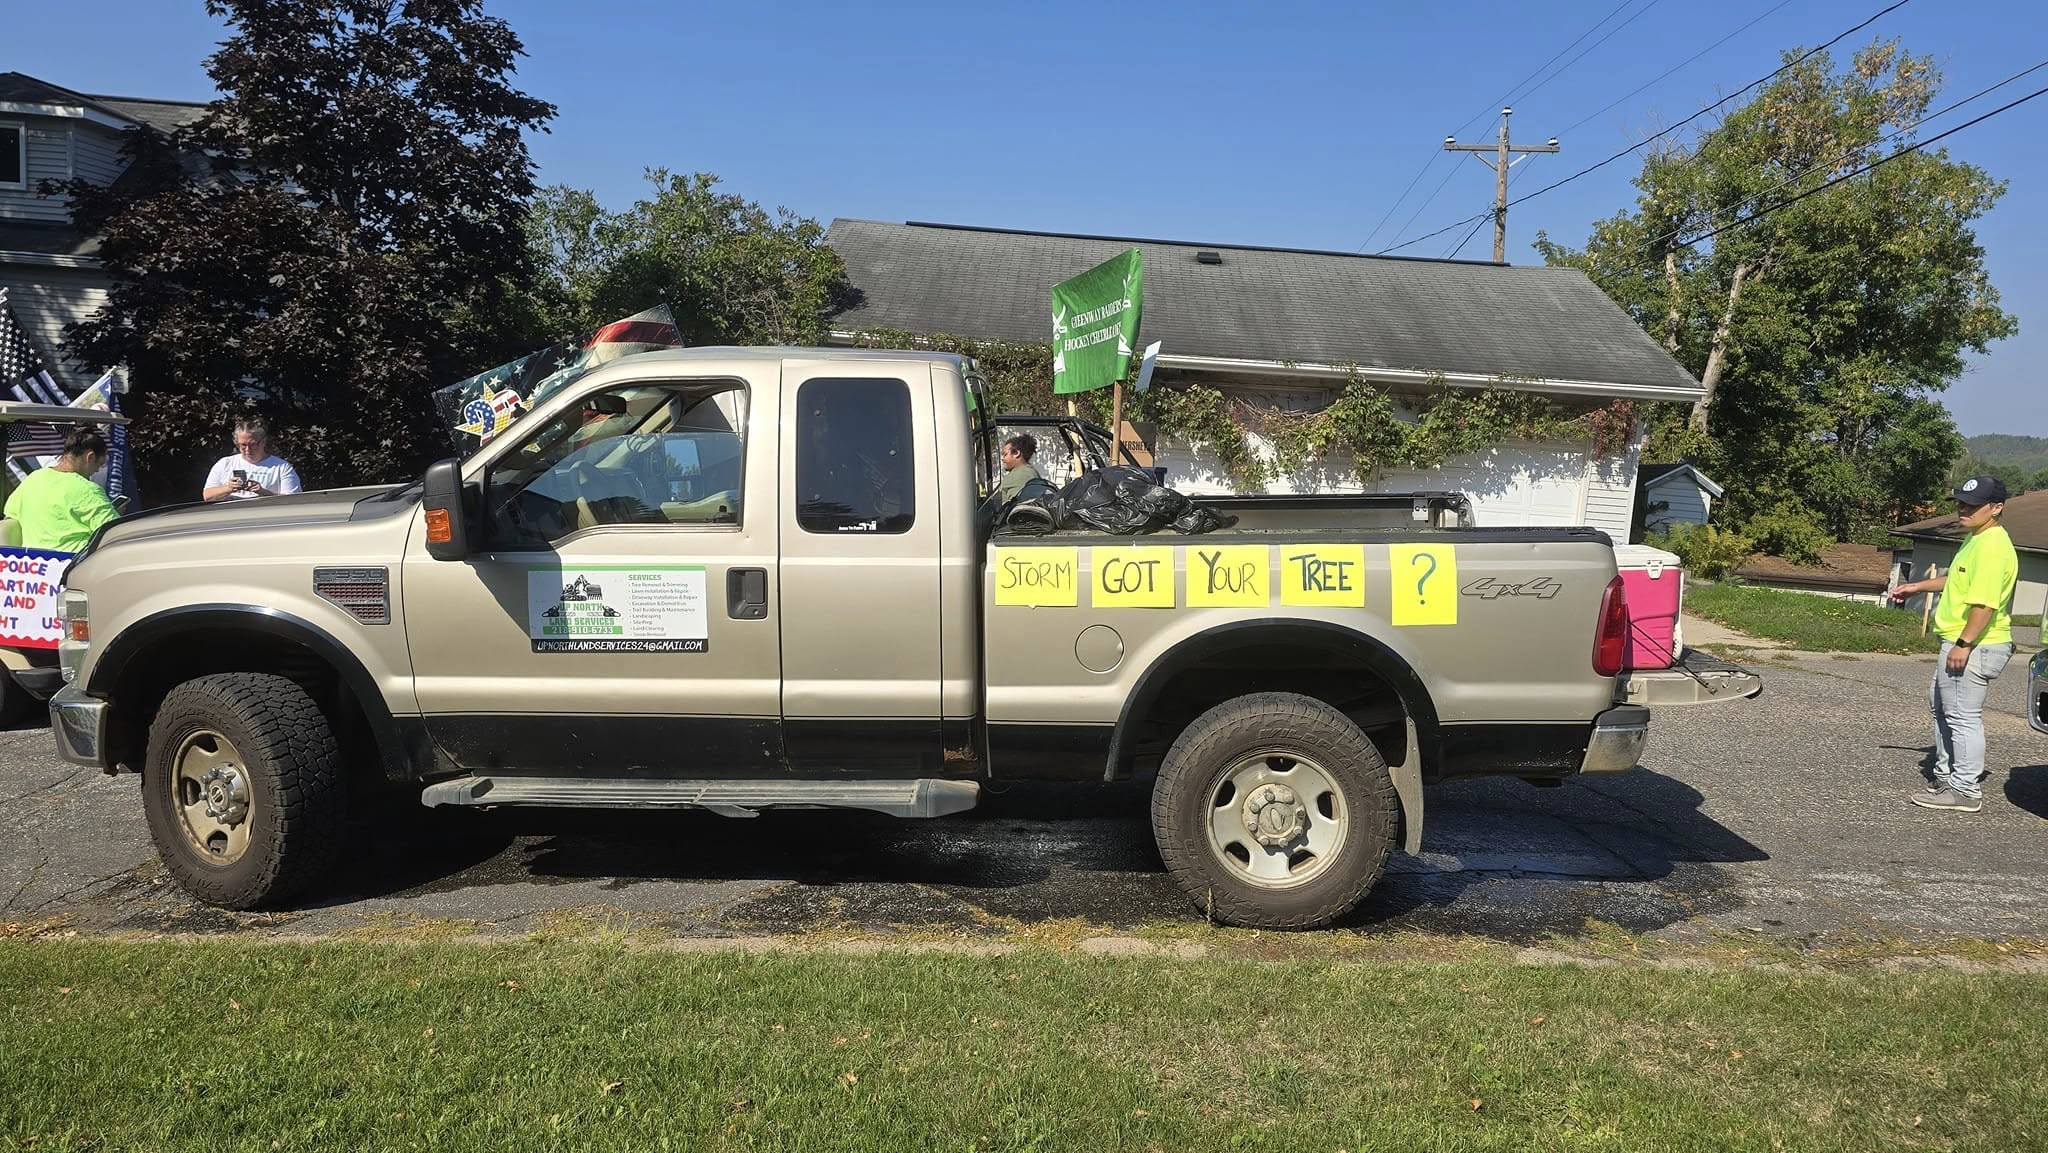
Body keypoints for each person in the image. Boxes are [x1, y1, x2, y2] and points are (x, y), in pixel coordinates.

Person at [1889, 476, 2020, 813]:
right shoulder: (1977, 539)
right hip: (1959, 641)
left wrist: (1964, 643)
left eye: (1973, 505)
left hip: (1974, 644)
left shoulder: (1992, 546)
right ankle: (1947, 776)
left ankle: (1965, 790)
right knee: (1941, 707)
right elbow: (1958, 579)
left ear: (1996, 508)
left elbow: (1985, 604)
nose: (1964, 509)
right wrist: (1917, 587)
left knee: (1962, 716)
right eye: (1962, 503)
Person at [2, 427, 118, 551]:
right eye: (99, 464)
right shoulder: (88, 490)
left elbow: (11, 516)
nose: (97, 470)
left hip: (33, 565)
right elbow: (116, 533)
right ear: (90, 457)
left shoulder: (33, 478)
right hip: (74, 565)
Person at [203, 417, 301, 501]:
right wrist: (228, 488)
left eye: (253, 444)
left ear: (263, 442)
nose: (247, 449)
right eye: (243, 445)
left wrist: (263, 492)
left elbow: (292, 501)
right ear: (236, 443)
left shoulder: (281, 467)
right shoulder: (225, 464)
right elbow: (207, 496)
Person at [998, 433, 1041, 504]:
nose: (1003, 459)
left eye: (1005, 454)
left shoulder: (1021, 475)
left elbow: (1020, 509)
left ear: (1017, 453)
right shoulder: (1028, 471)